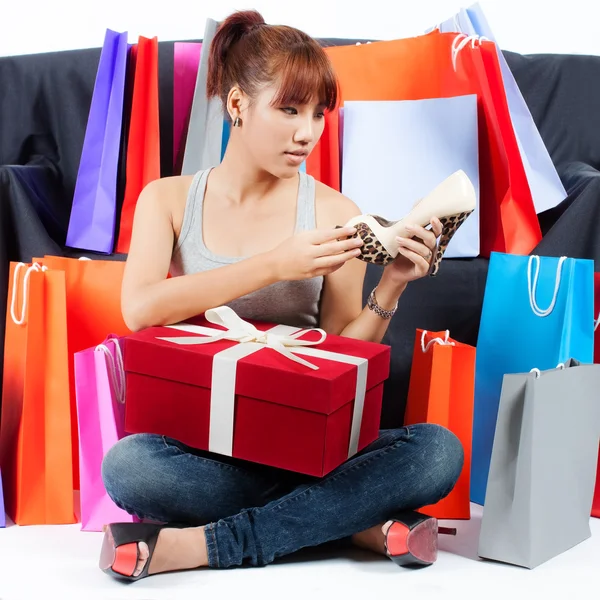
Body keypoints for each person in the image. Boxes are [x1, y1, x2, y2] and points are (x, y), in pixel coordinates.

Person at [100, 9, 464, 581]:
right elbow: (140, 308)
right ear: (238, 104)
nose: (308, 132)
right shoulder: (167, 200)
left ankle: (201, 546)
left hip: (312, 445)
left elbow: (346, 353)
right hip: (209, 444)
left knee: (438, 451)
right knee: (130, 468)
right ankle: (355, 524)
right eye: (289, 109)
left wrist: (391, 285)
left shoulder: (334, 212)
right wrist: (275, 264)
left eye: (318, 114)